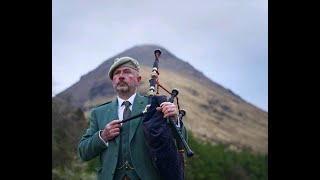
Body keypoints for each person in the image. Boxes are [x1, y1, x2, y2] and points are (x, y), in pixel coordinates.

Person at [78, 56, 188, 180]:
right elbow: (83, 152)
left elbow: (181, 141)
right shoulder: (98, 113)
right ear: (113, 81)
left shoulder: (154, 105)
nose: (120, 76)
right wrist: (103, 136)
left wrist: (174, 120)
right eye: (116, 73)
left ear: (138, 80)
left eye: (126, 72)